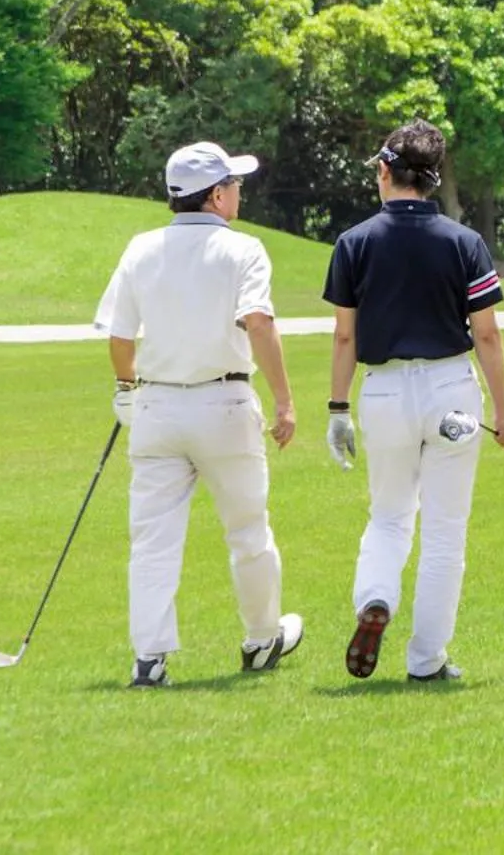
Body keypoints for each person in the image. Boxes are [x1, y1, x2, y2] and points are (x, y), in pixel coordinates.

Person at [93, 141, 303, 689]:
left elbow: (119, 336)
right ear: (215, 196)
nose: (238, 192)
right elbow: (259, 323)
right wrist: (284, 402)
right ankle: (262, 639)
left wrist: (125, 389)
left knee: (152, 541)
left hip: (156, 408)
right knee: (248, 531)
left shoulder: (141, 248)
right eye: (234, 184)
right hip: (223, 405)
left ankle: (149, 659)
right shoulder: (244, 249)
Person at [323, 119, 504, 683]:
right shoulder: (464, 242)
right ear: (432, 178)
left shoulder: (354, 242)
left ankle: (376, 597)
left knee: (388, 517)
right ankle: (427, 659)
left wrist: (337, 409)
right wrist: (503, 412)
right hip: (451, 389)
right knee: (444, 533)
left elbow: (344, 338)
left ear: (386, 171)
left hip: (383, 390)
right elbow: (487, 335)